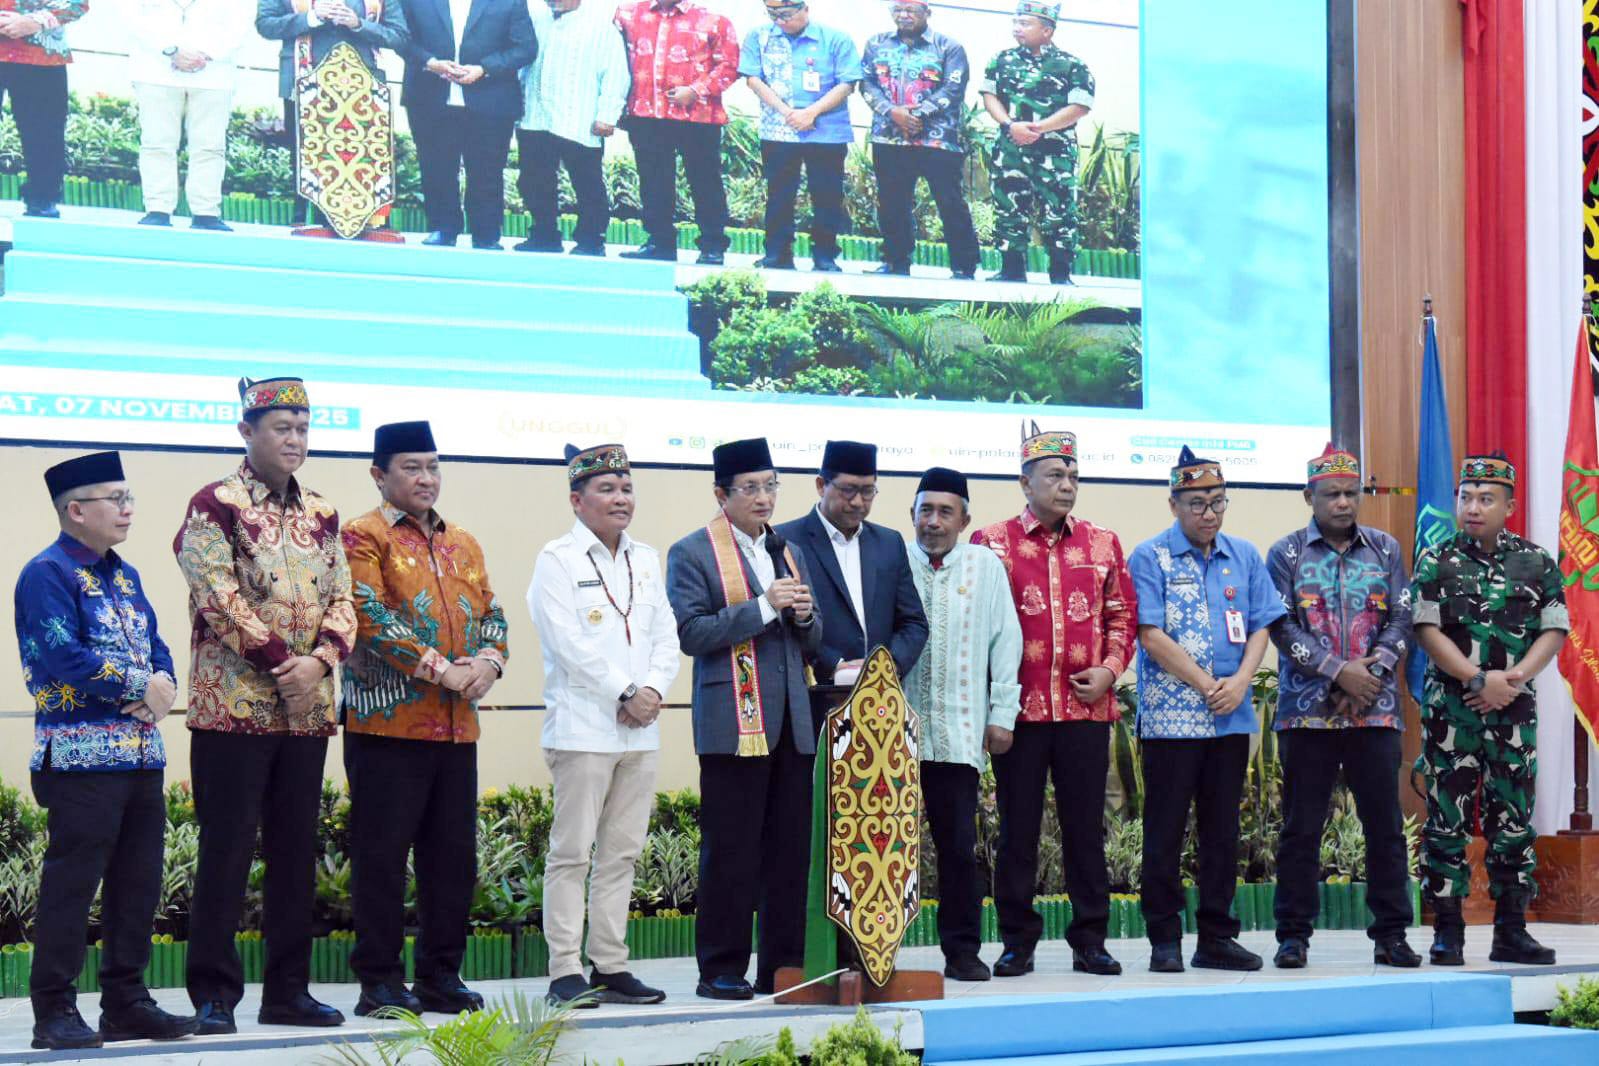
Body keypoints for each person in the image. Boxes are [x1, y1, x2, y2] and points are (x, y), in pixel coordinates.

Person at [175, 376, 356, 1034]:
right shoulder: (213, 504)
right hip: (233, 710)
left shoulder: (323, 513)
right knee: (225, 850)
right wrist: (283, 662)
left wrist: (319, 663)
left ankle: (288, 992)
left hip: (306, 711)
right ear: (246, 432)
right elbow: (215, 594)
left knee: (293, 850)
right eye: (282, 428)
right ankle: (214, 995)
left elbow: (344, 598)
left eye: (303, 429)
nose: (295, 440)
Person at [15, 453, 198, 1051]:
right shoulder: (46, 574)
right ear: (76, 509)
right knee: (73, 886)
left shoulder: (125, 575)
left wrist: (164, 684)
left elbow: (158, 646)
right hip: (79, 759)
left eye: (129, 498)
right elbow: (57, 660)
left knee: (138, 885)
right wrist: (138, 686)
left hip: (141, 754)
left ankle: (126, 1003)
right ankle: (55, 1012)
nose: (127, 509)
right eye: (114, 499)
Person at [341, 421, 508, 1017]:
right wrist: (445, 671)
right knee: (383, 858)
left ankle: (441, 975)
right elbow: (372, 618)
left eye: (433, 466)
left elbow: (492, 613)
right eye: (412, 467)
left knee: (451, 859)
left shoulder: (462, 540)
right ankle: (380, 982)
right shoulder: (361, 536)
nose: (426, 478)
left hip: (457, 726)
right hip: (386, 726)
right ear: (379, 474)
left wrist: (488, 662)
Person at [971, 425, 1134, 978]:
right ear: (1025, 481)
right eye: (1055, 475)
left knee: (1085, 830)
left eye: (1073, 476)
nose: (1067, 485)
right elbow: (979, 628)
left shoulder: (1103, 541)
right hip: (1017, 713)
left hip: (1086, 711)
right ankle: (1017, 941)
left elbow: (1122, 616)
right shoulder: (990, 543)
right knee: (1018, 831)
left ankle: (1091, 939)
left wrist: (1111, 671)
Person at [666, 437, 822, 999]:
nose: (763, 498)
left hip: (790, 721)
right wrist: (763, 607)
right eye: (751, 488)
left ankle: (783, 966)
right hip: (733, 722)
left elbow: (811, 637)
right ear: (721, 494)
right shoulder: (692, 552)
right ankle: (721, 968)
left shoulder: (786, 549)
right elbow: (692, 633)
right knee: (731, 849)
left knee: (788, 850)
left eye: (770, 486)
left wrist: (804, 616)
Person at [529, 443, 681, 1007]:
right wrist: (625, 691)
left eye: (627, 488)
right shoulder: (557, 558)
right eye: (607, 489)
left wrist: (654, 691)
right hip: (582, 730)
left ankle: (611, 965)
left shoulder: (647, 557)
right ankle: (565, 969)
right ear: (577, 499)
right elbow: (566, 643)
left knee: (622, 853)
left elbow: (666, 636)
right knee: (572, 852)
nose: (621, 498)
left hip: (641, 729)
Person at [1128, 447, 1285, 975]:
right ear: (1173, 504)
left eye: (1218, 502)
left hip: (1230, 717)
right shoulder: (1150, 556)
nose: (1209, 513)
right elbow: (1150, 633)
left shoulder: (1243, 554)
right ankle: (1164, 939)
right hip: (1173, 720)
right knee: (1166, 830)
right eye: (1197, 503)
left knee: (1222, 832)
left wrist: (1241, 681)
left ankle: (1217, 936)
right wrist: (1204, 683)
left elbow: (1263, 621)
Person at [1412, 453, 1569, 966]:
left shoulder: (1537, 561)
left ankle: (1511, 930)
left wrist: (1514, 678)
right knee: (1445, 821)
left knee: (1513, 819)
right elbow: (1427, 630)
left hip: (1513, 713)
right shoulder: (1435, 559)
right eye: (1466, 497)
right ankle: (1448, 931)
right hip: (1450, 713)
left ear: (1510, 505)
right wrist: (1476, 678)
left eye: (1486, 498)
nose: (1473, 507)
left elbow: (1554, 628)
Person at [1265, 444, 1419, 969]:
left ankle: (1392, 934)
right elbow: (1281, 628)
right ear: (1309, 497)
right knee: (1301, 828)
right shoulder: (1285, 554)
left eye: (1352, 493)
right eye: (1331, 494)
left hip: (1375, 712)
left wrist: (1370, 674)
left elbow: (1402, 618)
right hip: (1306, 713)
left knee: (1385, 827)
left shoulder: (1385, 550)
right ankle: (1293, 935)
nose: (1343, 502)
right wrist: (1337, 671)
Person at [904, 466, 1022, 982]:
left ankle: (962, 951)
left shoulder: (985, 566)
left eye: (944, 512)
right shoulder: (892, 559)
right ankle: (870, 951)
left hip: (959, 733)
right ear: (911, 514)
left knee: (957, 849)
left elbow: (1006, 642)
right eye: (925, 510)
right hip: (891, 734)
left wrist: (1002, 715)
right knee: (883, 846)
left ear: (965, 519)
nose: (933, 521)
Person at [776, 440, 927, 685]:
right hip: (813, 695)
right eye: (848, 490)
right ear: (821, 485)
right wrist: (835, 666)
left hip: (881, 698)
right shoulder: (786, 542)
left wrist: (888, 666)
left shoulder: (889, 542)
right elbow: (783, 624)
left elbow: (914, 622)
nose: (858, 501)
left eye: (868, 491)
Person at [255, 0, 409, 230]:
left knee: (363, 153)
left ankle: (365, 220)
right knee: (307, 152)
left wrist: (358, 24)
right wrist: (312, 18)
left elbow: (399, 36)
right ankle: (308, 218)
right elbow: (265, 25)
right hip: (304, 78)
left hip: (362, 85)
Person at [398, 0, 535, 249]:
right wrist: (430, 62)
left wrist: (484, 68)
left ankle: (486, 235)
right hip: (430, 96)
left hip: (491, 99)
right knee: (435, 166)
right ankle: (443, 227)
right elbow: (400, 37)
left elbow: (525, 48)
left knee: (487, 172)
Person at [860, 0, 979, 280]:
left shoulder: (949, 47)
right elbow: (865, 83)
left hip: (938, 141)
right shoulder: (876, 44)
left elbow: (954, 88)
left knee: (949, 201)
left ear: (927, 13)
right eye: (898, 10)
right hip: (889, 137)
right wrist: (893, 113)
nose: (903, 16)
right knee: (891, 201)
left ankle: (964, 265)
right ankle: (895, 261)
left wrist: (918, 116)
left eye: (910, 10)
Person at [613, 0, 739, 265]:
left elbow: (728, 66)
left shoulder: (714, 19)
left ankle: (712, 245)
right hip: (646, 114)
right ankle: (660, 243)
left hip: (698, 117)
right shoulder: (627, 14)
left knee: (705, 181)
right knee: (653, 182)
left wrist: (696, 91)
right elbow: (611, 57)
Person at [739, 0, 858, 274]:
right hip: (779, 129)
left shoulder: (835, 38)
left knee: (827, 195)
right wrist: (787, 112)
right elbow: (753, 79)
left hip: (826, 131)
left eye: (786, 15)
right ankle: (777, 254)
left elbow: (848, 82)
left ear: (805, 9)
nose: (780, 21)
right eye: (773, 15)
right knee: (779, 194)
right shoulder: (759, 36)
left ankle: (825, 256)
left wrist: (811, 112)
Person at [978, 0, 1093, 285]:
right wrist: (1009, 124)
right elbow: (989, 95)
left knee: (1060, 211)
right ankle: (1011, 271)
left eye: (1025, 23)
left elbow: (1080, 105)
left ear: (1047, 30)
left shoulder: (1071, 65)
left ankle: (1060, 274)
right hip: (1010, 150)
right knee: (1008, 207)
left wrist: (1039, 128)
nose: (1017, 28)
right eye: (1015, 22)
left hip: (1054, 152)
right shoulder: (1001, 60)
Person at [516, 0, 629, 256]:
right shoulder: (534, 19)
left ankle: (591, 239)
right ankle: (544, 235)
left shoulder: (601, 26)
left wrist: (608, 115)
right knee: (533, 180)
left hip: (580, 118)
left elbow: (616, 73)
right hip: (535, 116)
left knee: (587, 182)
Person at [128, 0, 250, 231]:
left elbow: (240, 23)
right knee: (157, 143)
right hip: (155, 71)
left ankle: (206, 212)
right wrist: (171, 50)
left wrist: (206, 54)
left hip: (214, 73)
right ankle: (158, 209)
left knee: (210, 146)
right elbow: (132, 17)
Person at [0, 0, 87, 218]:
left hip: (43, 55)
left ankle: (42, 199)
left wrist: (34, 21)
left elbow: (78, 3)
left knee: (44, 132)